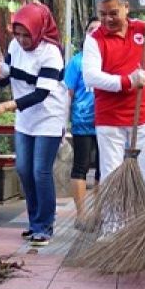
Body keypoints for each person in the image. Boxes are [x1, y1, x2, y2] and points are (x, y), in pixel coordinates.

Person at [81, 0, 145, 205]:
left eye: (113, 13)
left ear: (126, 7)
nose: (107, 19)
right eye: (102, 14)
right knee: (112, 175)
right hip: (109, 120)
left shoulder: (142, 29)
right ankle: (113, 231)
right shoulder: (94, 38)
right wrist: (127, 81)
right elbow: (91, 76)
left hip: (141, 117)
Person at [0, 2, 68, 246]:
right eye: (18, 34)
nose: (22, 40)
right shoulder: (14, 45)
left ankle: (45, 224)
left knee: (40, 170)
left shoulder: (51, 53)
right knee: (23, 169)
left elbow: (40, 93)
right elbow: (6, 79)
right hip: (25, 119)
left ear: (39, 30)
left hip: (49, 116)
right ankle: (34, 222)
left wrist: (5, 107)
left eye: (27, 35)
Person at [64, 20, 101, 217]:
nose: (95, 32)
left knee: (105, 170)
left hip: (107, 124)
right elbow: (67, 94)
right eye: (91, 29)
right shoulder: (77, 62)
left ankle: (101, 213)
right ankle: (81, 215)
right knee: (80, 167)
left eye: (99, 29)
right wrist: (64, 123)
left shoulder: (110, 60)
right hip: (82, 124)